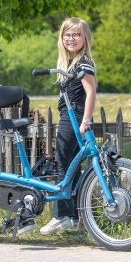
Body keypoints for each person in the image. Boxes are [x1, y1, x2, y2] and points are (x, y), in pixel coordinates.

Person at [40, 17, 96, 235]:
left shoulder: (82, 62)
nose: (71, 39)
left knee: (63, 164)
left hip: (73, 117)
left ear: (85, 38)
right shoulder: (72, 62)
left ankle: (61, 216)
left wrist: (86, 121)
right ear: (61, 38)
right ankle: (76, 216)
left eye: (76, 34)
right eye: (67, 35)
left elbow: (91, 92)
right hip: (71, 115)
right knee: (74, 167)